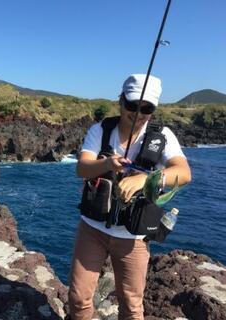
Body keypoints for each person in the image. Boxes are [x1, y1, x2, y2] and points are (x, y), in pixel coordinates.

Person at [68, 74, 192, 320]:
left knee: (131, 304)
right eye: (132, 105)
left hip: (133, 237)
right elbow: (82, 168)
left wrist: (145, 179)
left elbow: (184, 173)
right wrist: (107, 164)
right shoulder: (100, 130)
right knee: (79, 297)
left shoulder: (162, 137)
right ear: (121, 101)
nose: (138, 113)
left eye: (146, 108)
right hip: (93, 228)